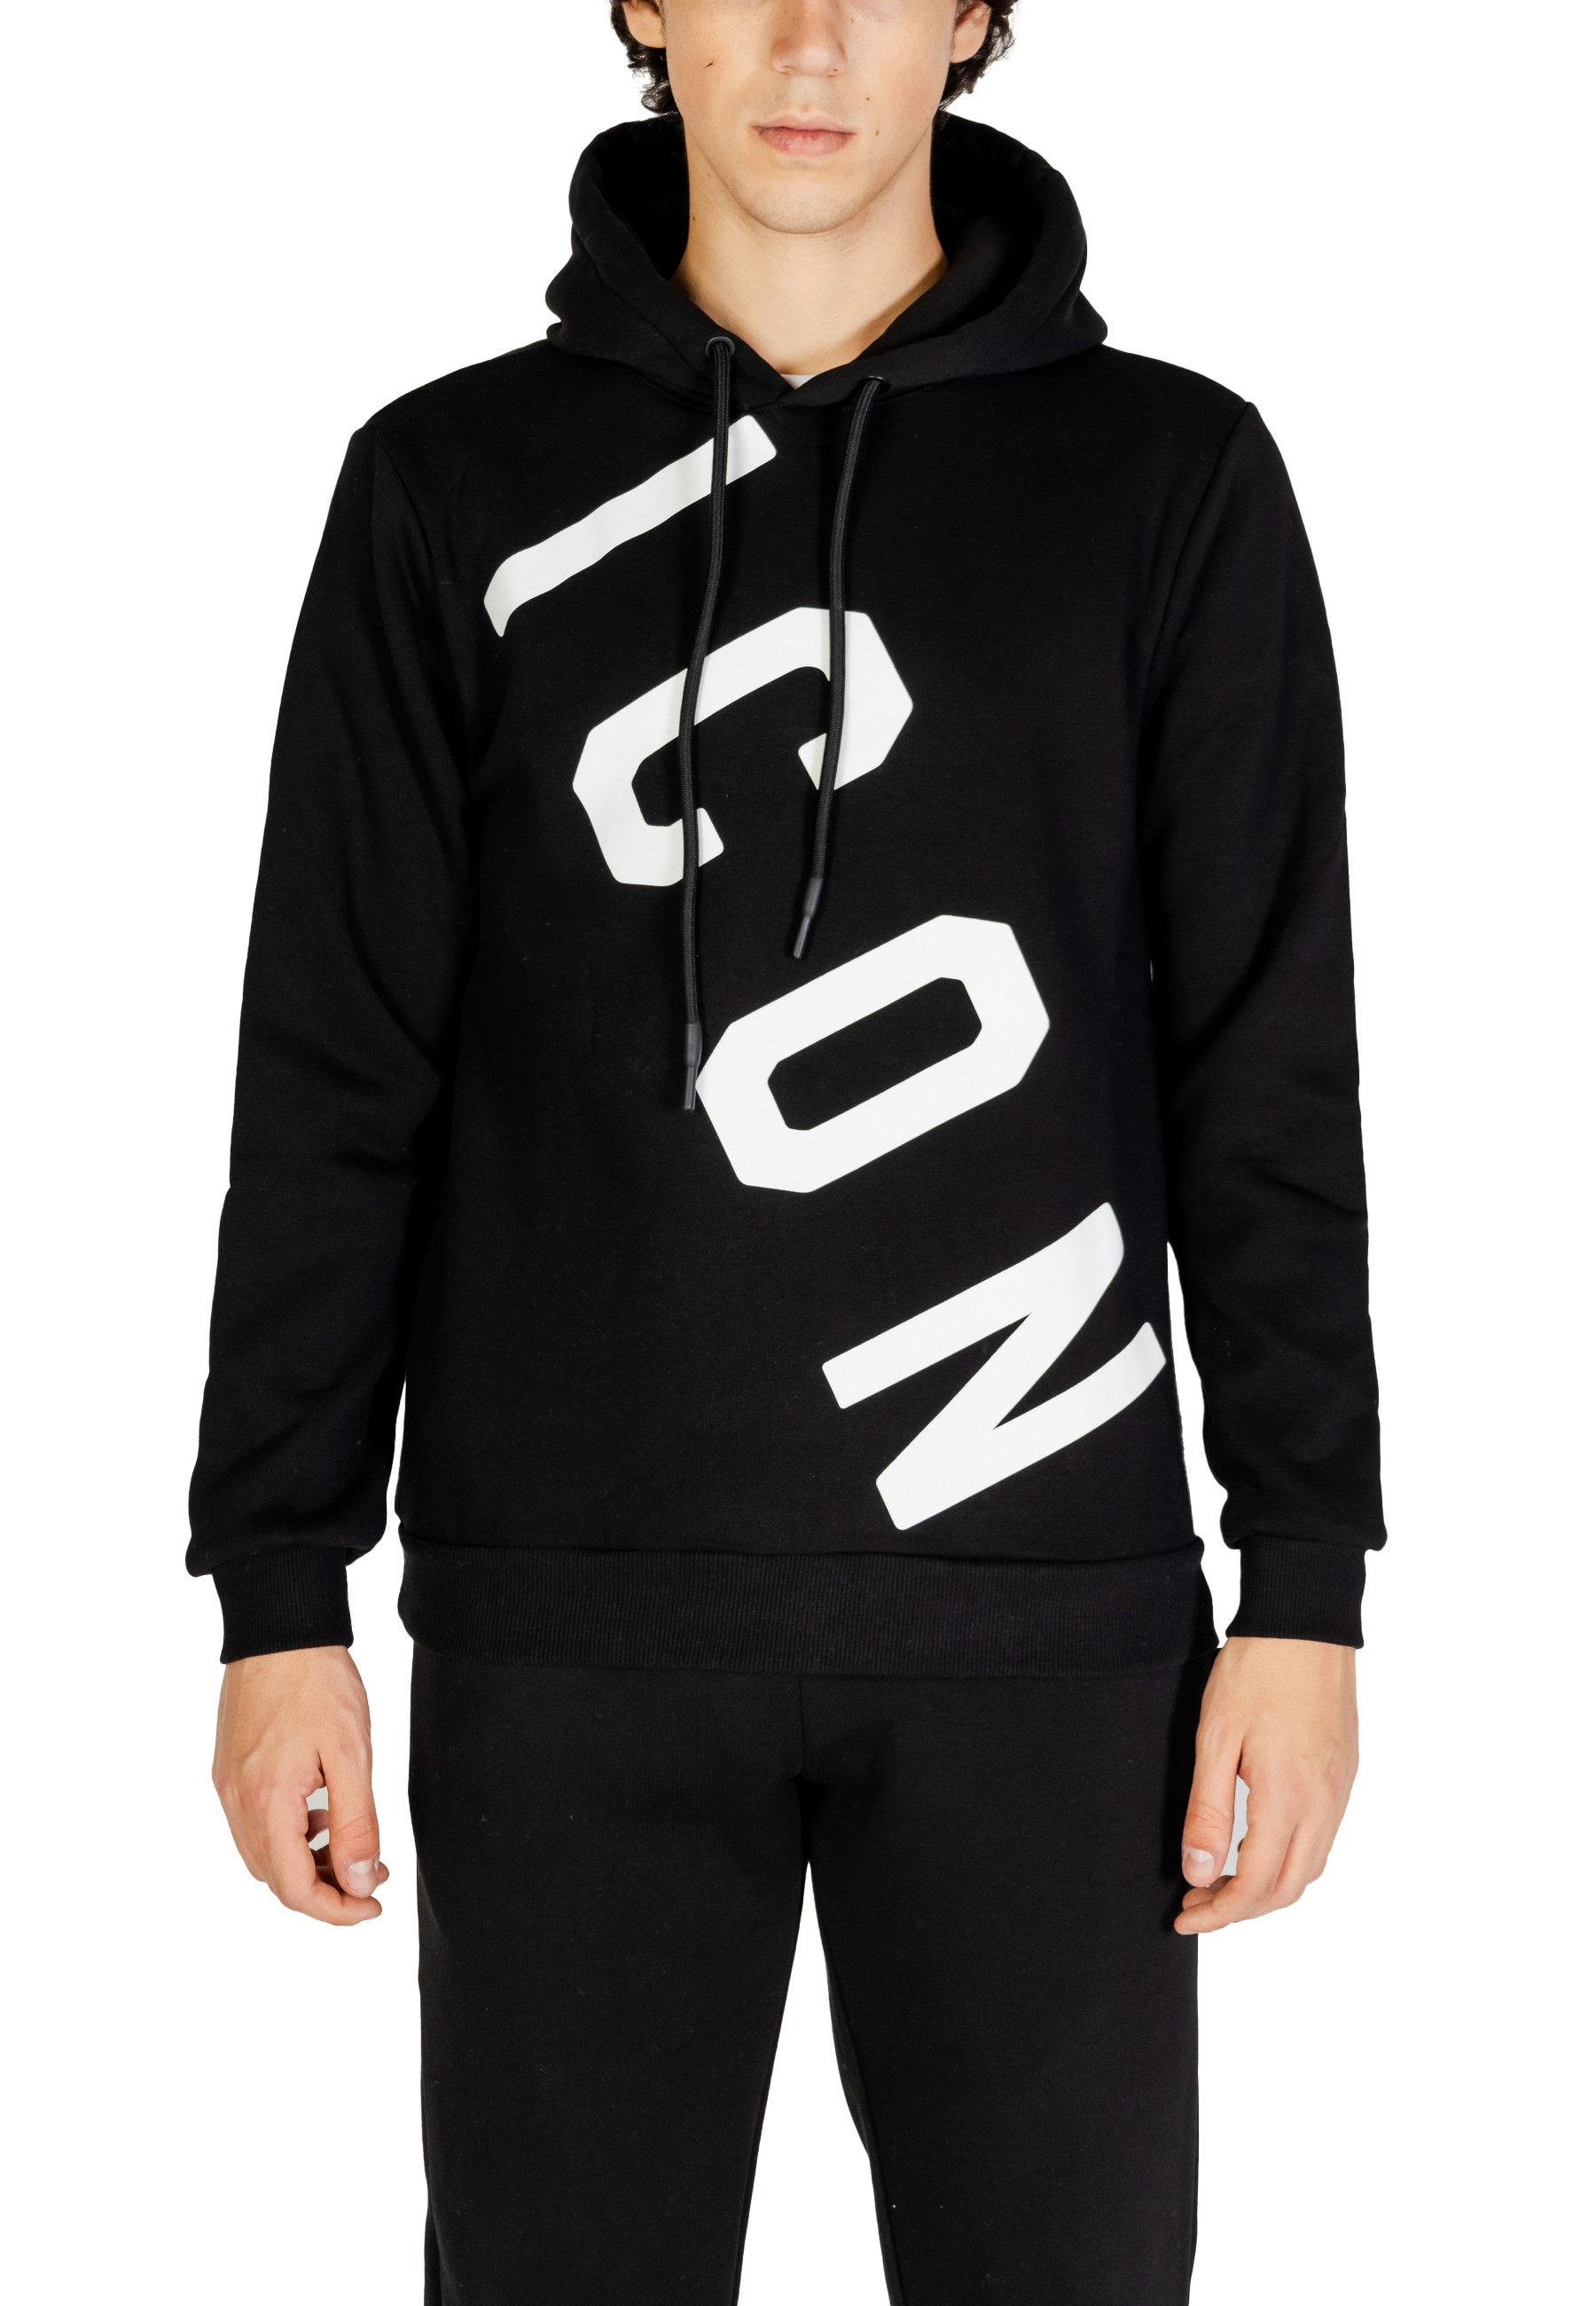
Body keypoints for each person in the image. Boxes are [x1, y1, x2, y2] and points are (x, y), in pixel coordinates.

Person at [193, 4, 1381, 2298]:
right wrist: (278, 1594)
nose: (811, 39)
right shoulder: (448, 487)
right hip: (570, 1631)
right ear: (645, 4)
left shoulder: (1170, 478)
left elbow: (1264, 1066)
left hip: (1048, 1626)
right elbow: (336, 1074)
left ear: (978, 16)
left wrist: (1306, 1585)